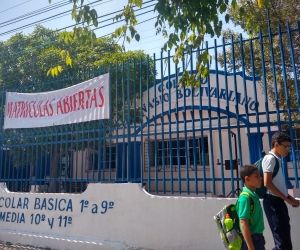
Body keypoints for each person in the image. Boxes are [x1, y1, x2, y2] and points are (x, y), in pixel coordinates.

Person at [262, 132, 300, 250]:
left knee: (284, 241)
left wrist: (289, 198)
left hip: (277, 202)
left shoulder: (276, 160)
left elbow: (277, 186)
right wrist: (287, 199)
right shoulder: (270, 159)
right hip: (273, 202)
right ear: (277, 144)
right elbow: (267, 183)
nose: (288, 150)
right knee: (282, 243)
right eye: (286, 146)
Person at [236, 164, 265, 250]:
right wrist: (251, 247)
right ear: (247, 179)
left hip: (258, 239)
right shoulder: (245, 198)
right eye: (256, 176)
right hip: (251, 240)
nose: (260, 178)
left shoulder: (253, 195)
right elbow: (243, 223)